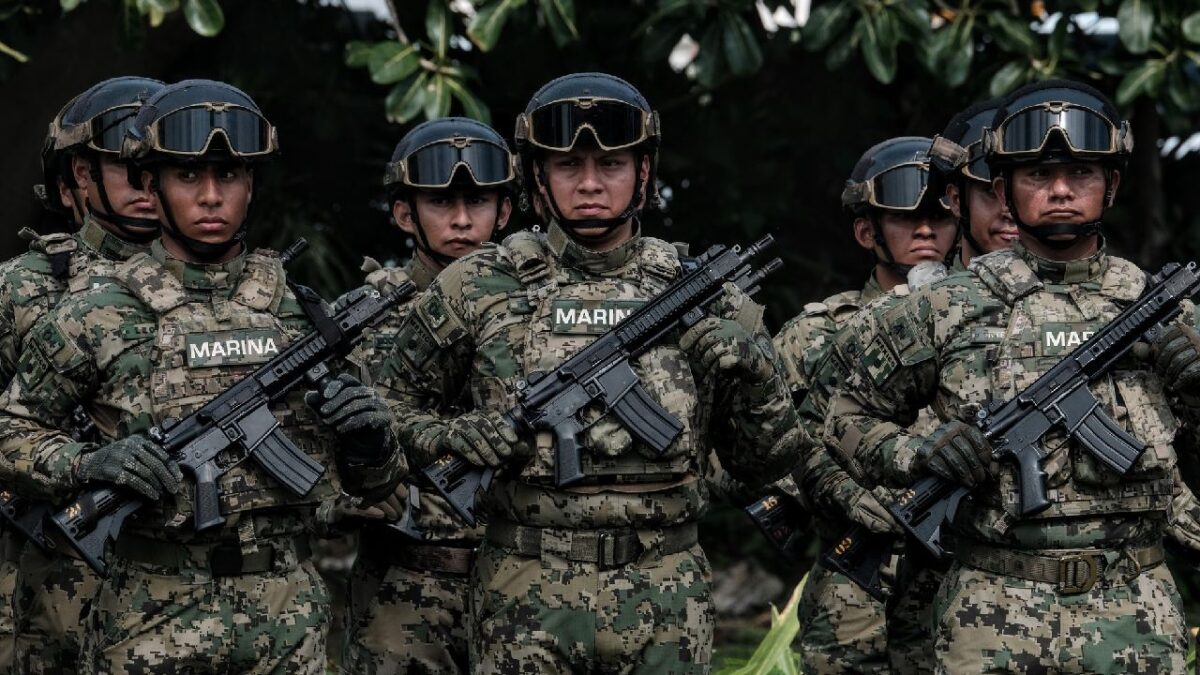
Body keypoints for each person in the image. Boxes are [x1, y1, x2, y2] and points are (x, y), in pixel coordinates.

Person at [375, 72, 801, 673]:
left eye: (612, 163)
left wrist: (757, 376)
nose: (592, 183)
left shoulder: (703, 294)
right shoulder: (475, 285)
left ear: (644, 174)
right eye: (569, 164)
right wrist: (450, 438)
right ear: (537, 178)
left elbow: (767, 464)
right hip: (525, 591)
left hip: (667, 590)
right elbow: (384, 415)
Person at [0, 78, 405, 673]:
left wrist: (372, 441)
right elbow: (12, 429)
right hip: (148, 609)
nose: (211, 197)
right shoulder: (96, 310)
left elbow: (374, 485)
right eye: (188, 176)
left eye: (230, 175)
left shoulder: (302, 312)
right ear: (150, 184)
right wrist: (85, 464)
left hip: (288, 610)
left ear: (252, 184)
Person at [824, 79, 1191, 673]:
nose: (1062, 191)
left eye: (1083, 175)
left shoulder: (1163, 311)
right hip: (991, 609)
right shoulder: (943, 306)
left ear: (1113, 185)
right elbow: (841, 417)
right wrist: (920, 450)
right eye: (1037, 177)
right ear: (1002, 191)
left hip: (1136, 609)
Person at [323, 116, 513, 674]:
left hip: (523, 581)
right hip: (400, 590)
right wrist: (345, 497)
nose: (461, 220)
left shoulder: (538, 314)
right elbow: (301, 443)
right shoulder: (355, 320)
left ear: (505, 212)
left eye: (478, 201)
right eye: (440, 202)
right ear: (405, 213)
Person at [0, 76, 165, 675]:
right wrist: (71, 463)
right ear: (77, 180)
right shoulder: (24, 286)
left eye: (162, 167)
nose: (149, 187)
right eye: (129, 170)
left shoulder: (235, 289)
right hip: (55, 578)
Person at [773, 136, 956, 674]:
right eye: (905, 219)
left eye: (939, 217)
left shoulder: (984, 326)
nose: (925, 230)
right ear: (865, 231)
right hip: (856, 582)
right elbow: (762, 452)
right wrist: (832, 487)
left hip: (959, 583)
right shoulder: (814, 335)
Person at [930, 99, 1018, 269]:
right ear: (956, 200)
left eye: (1021, 193)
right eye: (992, 192)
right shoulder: (924, 296)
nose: (1009, 212)